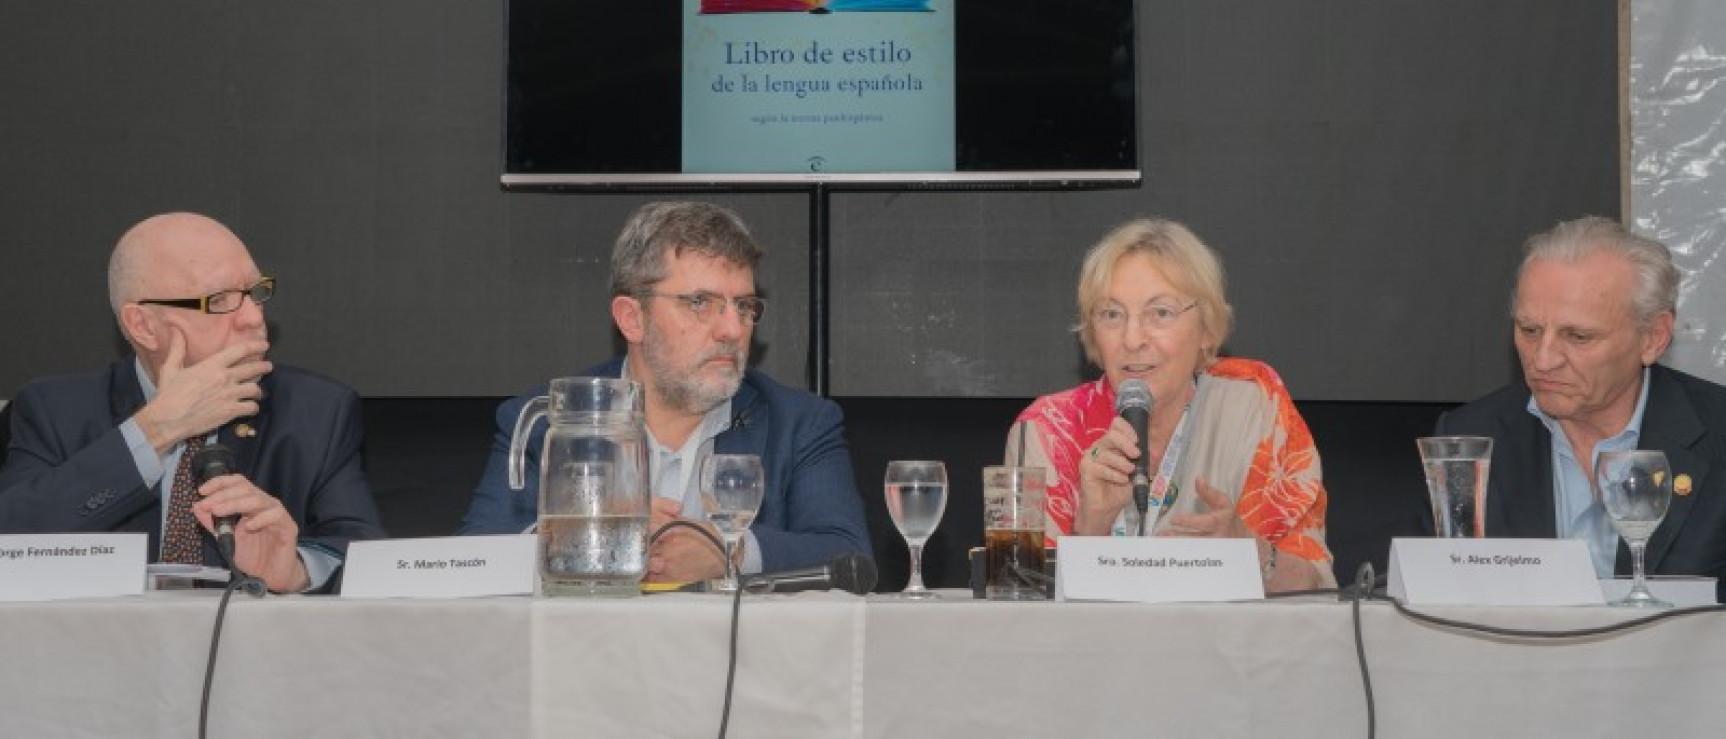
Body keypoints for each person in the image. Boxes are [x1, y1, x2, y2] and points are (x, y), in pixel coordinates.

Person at [461, 201, 871, 583]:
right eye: (700, 302)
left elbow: (851, 558)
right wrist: (585, 537)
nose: (732, 329)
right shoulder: (547, 422)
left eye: (744, 306)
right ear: (632, 318)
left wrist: (731, 551)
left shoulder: (798, 423)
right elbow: (472, 564)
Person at [0, 212, 386, 593]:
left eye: (255, 292)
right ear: (143, 325)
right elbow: (12, 539)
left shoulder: (315, 411)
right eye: (218, 300)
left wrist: (298, 570)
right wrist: (156, 430)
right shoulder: (55, 410)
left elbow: (365, 553)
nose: (253, 317)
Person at [1006, 218, 1335, 591]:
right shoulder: (1049, 431)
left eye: (1160, 312)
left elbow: (1318, 587)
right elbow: (1025, 610)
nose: (1132, 339)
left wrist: (1249, 552)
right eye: (1112, 314)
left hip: (1225, 646)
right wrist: (1090, 528)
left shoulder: (1253, 405)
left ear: (1208, 328)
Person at [1435, 216, 1726, 590]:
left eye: (1578, 336)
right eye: (1529, 330)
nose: (1543, 360)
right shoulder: (1470, 438)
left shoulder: (1717, 434)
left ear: (1653, 338)